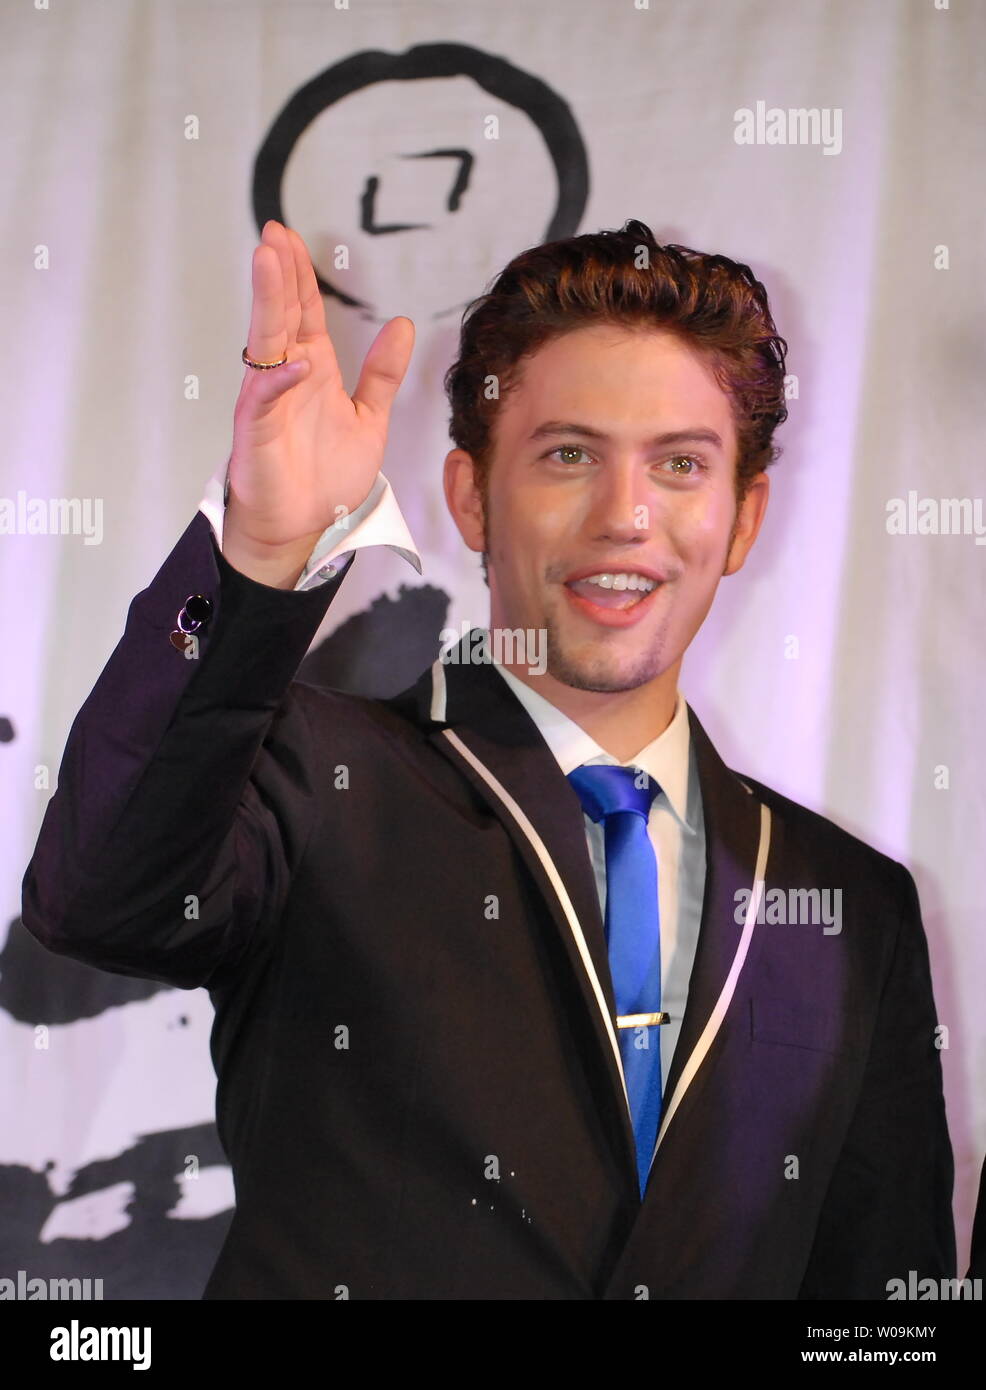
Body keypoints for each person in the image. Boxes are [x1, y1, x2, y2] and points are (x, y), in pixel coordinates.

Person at [21, 217, 955, 1299]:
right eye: (567, 455)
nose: (625, 516)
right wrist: (262, 555)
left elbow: (882, 1304)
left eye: (680, 464)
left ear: (742, 518)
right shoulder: (316, 775)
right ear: (469, 496)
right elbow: (98, 897)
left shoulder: (848, 901)